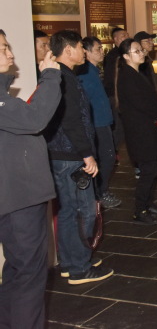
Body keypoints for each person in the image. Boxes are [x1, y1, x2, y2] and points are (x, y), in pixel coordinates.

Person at [0, 30, 61, 329]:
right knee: (29, 274)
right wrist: (50, 76)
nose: (10, 54)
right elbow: (35, 119)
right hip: (18, 199)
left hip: (15, 196)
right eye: (3, 49)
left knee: (17, 271)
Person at [45, 30, 114, 284]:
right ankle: (79, 267)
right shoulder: (64, 79)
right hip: (72, 156)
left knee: (67, 211)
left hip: (61, 154)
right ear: (68, 50)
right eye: (80, 47)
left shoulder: (57, 75)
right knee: (83, 211)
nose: (84, 51)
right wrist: (87, 155)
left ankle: (70, 261)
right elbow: (72, 121)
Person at [116, 39, 157, 225]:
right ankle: (140, 210)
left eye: (141, 50)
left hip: (147, 127)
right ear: (126, 56)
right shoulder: (127, 76)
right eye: (136, 51)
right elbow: (142, 103)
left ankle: (147, 203)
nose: (141, 53)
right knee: (148, 169)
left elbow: (151, 99)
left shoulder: (137, 73)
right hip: (140, 131)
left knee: (152, 168)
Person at [76, 36, 121, 210]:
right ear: (86, 52)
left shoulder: (94, 70)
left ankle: (100, 192)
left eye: (102, 48)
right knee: (106, 158)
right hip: (97, 123)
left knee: (107, 158)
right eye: (98, 49)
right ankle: (99, 193)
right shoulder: (85, 73)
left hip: (103, 121)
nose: (102, 52)